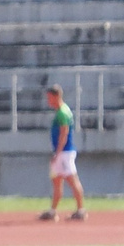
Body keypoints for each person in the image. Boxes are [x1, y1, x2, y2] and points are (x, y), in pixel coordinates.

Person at [37, 83, 85, 223]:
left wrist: (57, 154)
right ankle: (53, 211)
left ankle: (81, 210)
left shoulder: (63, 112)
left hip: (64, 152)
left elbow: (64, 134)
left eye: (50, 98)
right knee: (57, 180)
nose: (48, 101)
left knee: (71, 179)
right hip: (61, 152)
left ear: (56, 96)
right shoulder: (62, 111)